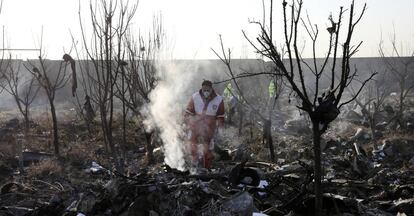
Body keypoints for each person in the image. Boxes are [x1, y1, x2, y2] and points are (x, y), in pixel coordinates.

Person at [185, 80, 225, 169]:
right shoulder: (195, 97)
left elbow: (220, 116)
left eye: (208, 90)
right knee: (192, 144)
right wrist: (188, 123)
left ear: (211, 89)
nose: (206, 92)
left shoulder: (218, 99)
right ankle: (194, 164)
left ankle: (206, 167)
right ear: (201, 88)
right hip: (196, 126)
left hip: (210, 128)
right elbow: (188, 112)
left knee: (208, 148)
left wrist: (220, 128)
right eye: (204, 90)